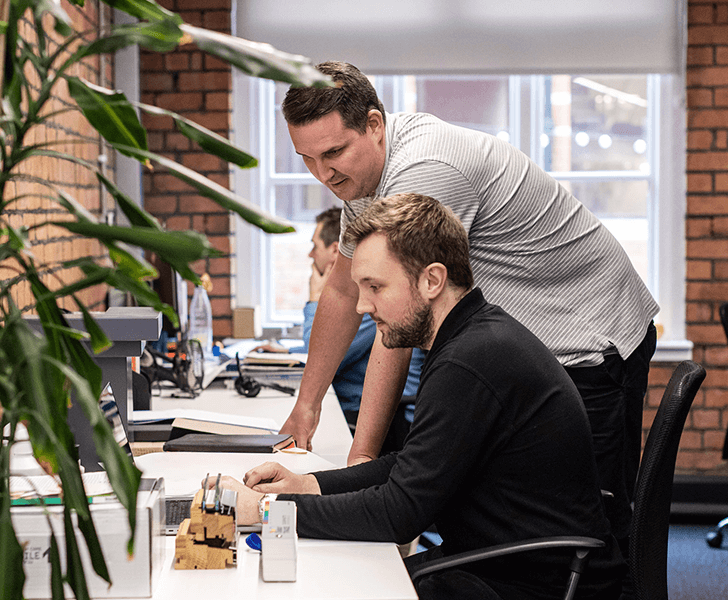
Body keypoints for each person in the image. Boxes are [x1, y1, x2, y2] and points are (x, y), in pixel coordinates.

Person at [277, 61, 658, 568]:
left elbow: (402, 318)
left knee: (594, 540)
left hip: (588, 331)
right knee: (498, 511)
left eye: (333, 153)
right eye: (307, 159)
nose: (323, 174)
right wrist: (308, 404)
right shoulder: (366, 175)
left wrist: (361, 454)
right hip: (521, 341)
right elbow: (345, 293)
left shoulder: (426, 171)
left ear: (374, 125)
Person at [211, 194, 624, 600]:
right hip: (507, 560)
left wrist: (265, 511)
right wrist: (307, 485)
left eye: (375, 286)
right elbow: (410, 467)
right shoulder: (470, 337)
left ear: (432, 280)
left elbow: (399, 515)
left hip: (529, 581)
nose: (361, 305)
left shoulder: (470, 361)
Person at [255, 207, 425, 451]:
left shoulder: (367, 300)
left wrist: (315, 298)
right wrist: (287, 349)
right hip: (357, 411)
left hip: (382, 421)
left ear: (336, 250)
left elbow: (322, 356)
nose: (310, 254)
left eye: (315, 246)